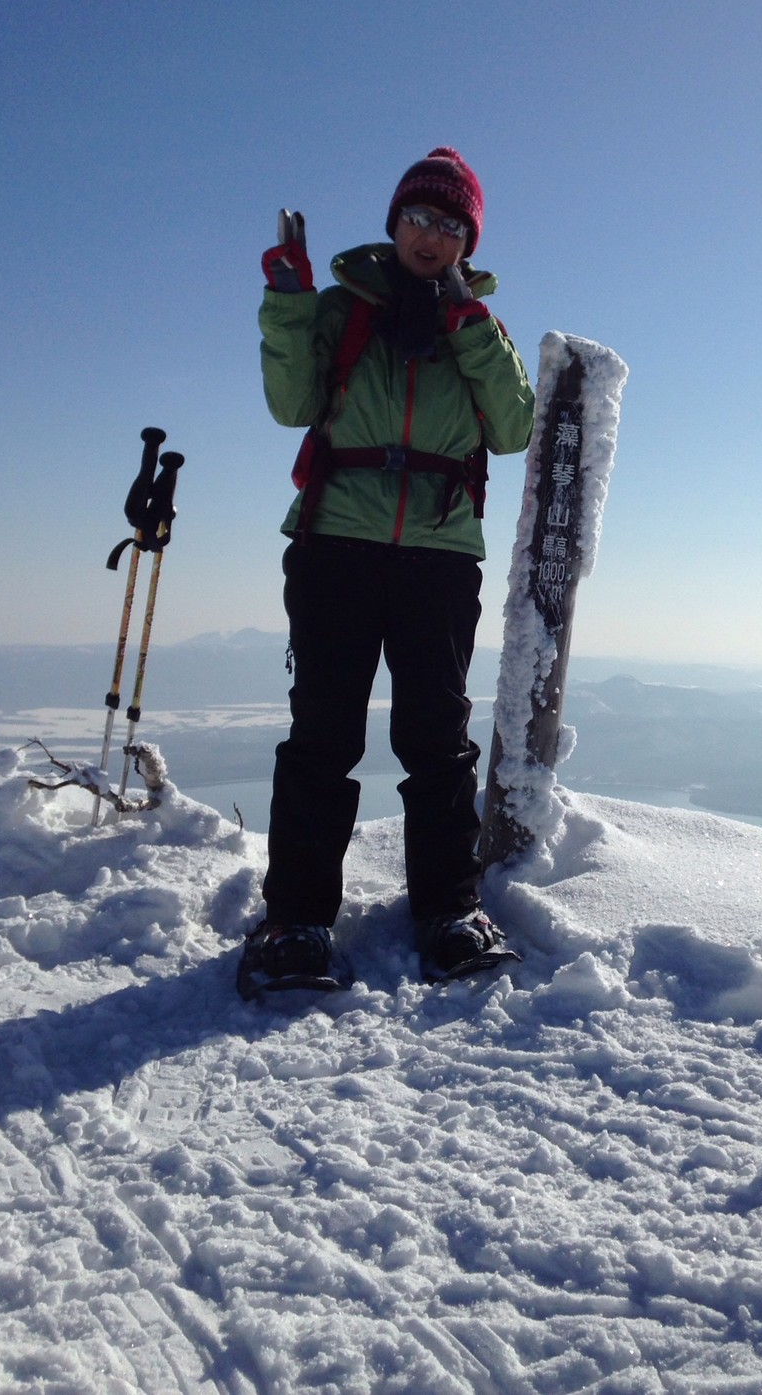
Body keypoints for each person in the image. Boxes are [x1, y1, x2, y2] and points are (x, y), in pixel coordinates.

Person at [240, 147, 535, 995]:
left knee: (437, 737)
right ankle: (296, 921)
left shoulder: (477, 328)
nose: (432, 237)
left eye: (451, 225)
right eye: (421, 217)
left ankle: (449, 912)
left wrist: (466, 327)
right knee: (324, 732)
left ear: (467, 242)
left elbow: (511, 427)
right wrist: (289, 303)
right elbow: (292, 405)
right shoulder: (342, 310)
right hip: (337, 542)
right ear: (394, 222)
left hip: (439, 555)